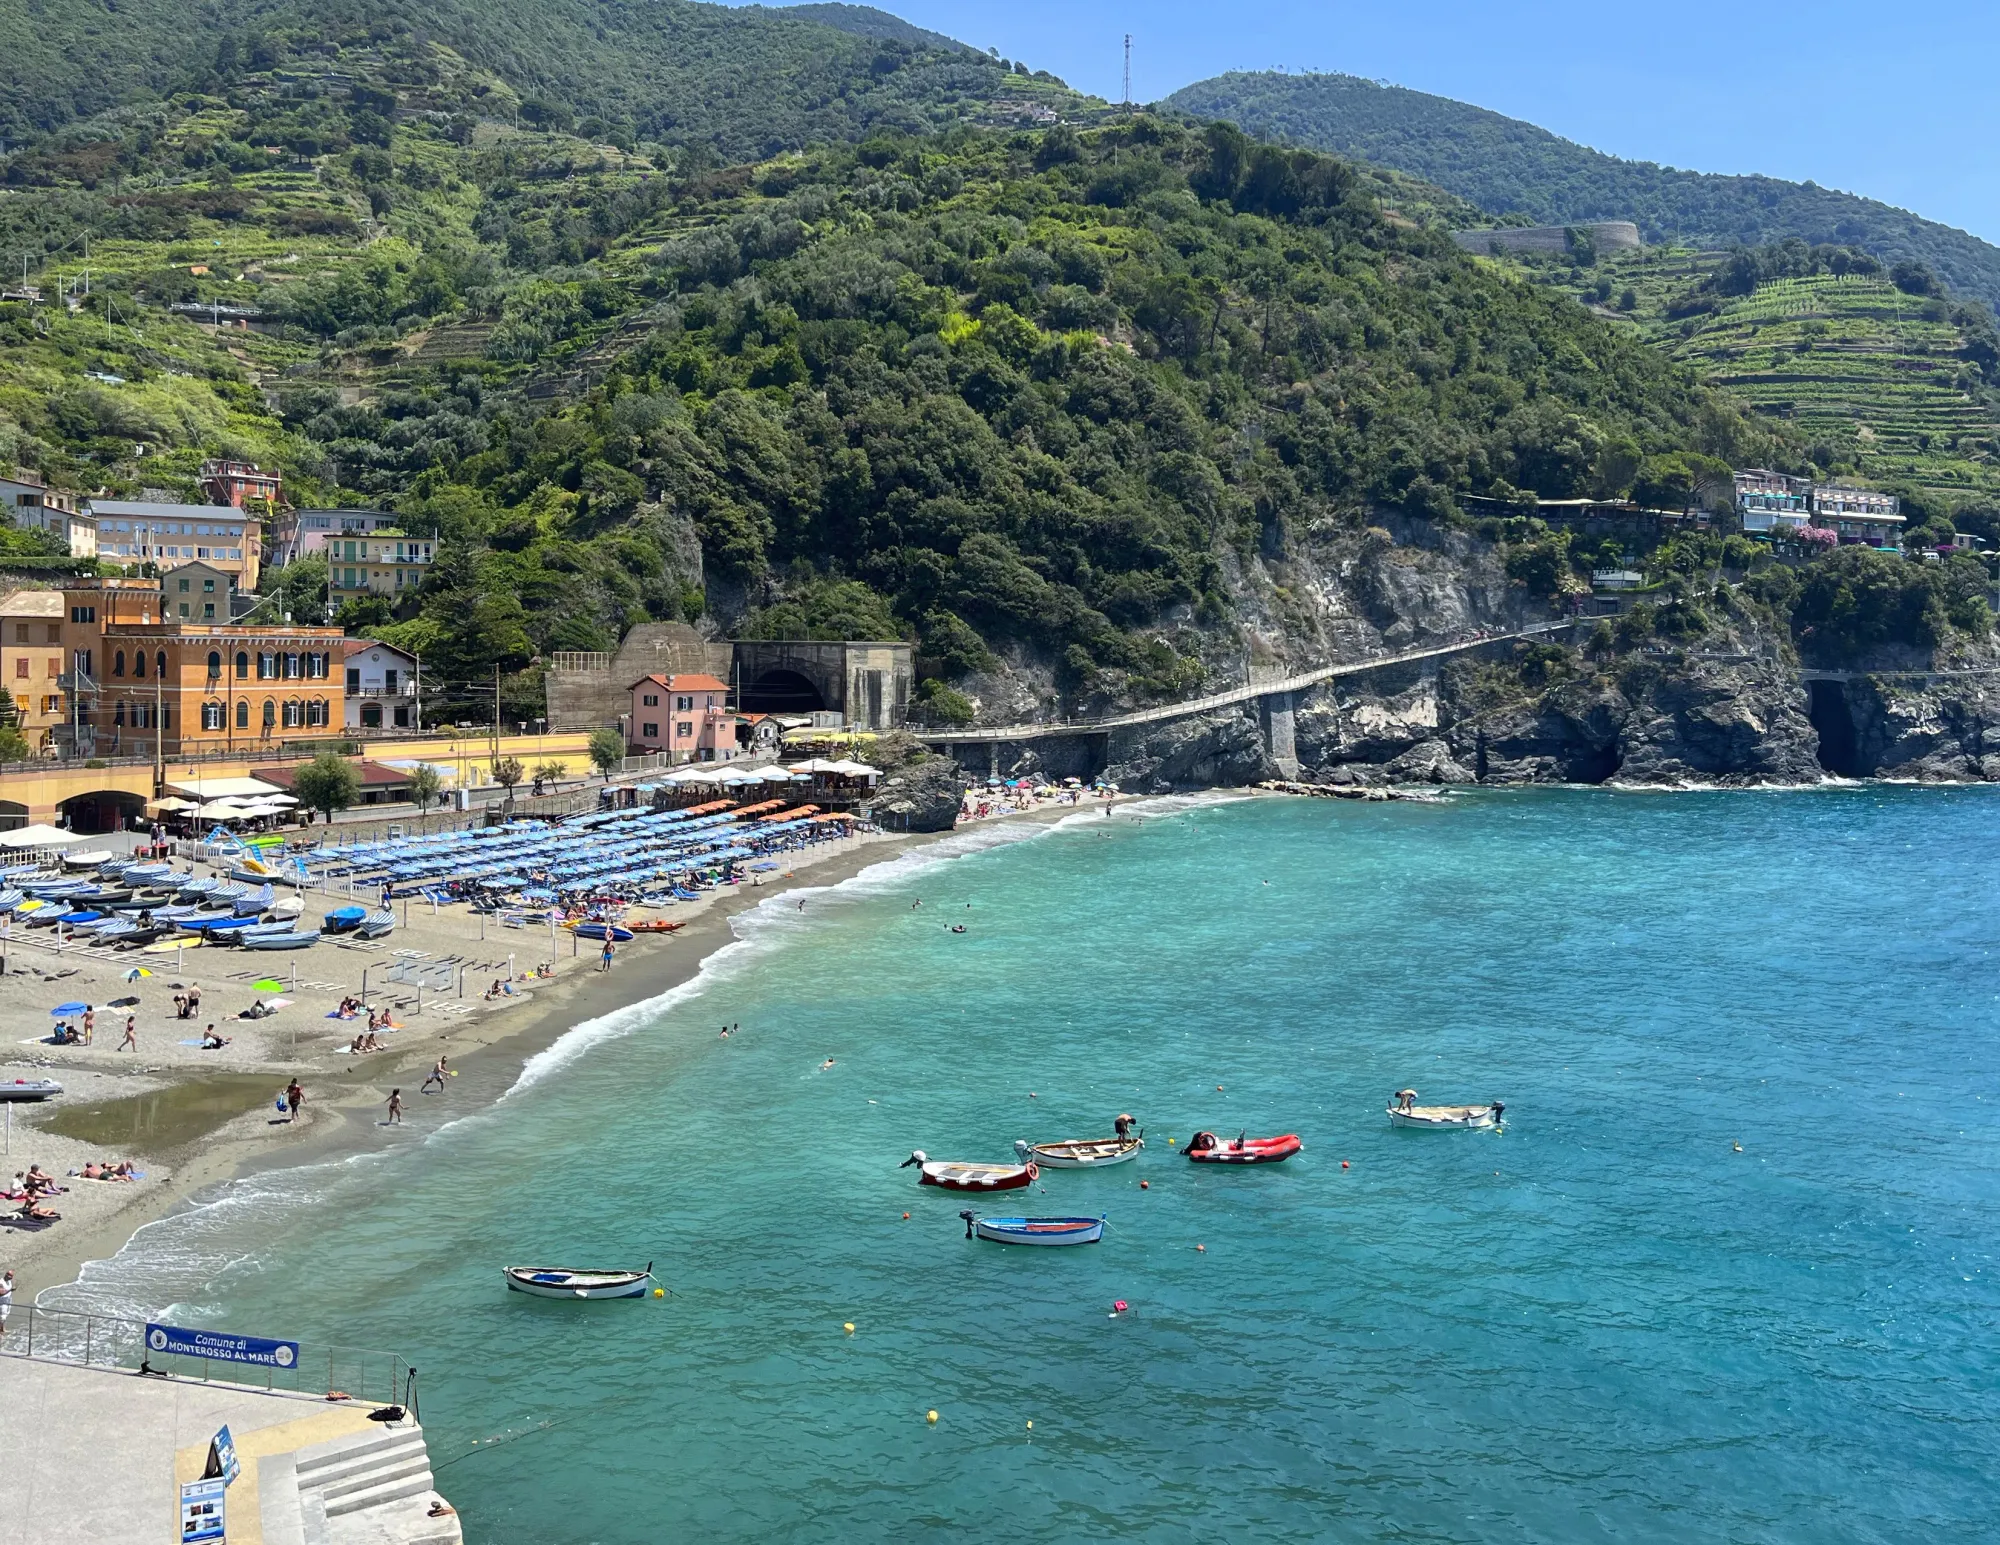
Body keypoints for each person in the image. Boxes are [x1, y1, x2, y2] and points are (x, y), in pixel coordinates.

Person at [0, 1268, 12, 1337]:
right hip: (2, 1302)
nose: (9, 1276)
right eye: (8, 1275)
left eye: (11, 1276)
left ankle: (2, 1328)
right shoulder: (1, 1282)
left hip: (7, 1301)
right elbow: (1, 1293)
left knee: (5, 1315)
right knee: (2, 1317)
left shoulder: (9, 1281)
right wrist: (10, 1290)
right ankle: (1, 1330)